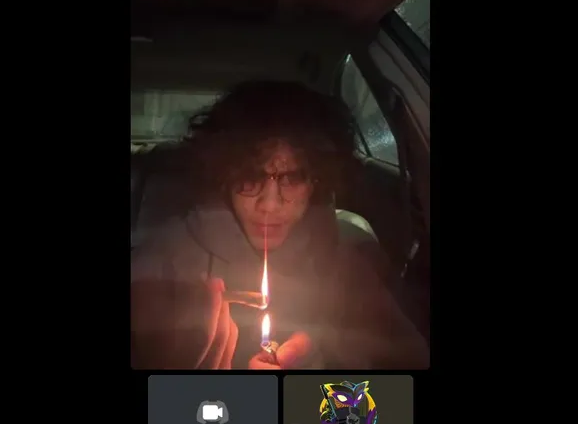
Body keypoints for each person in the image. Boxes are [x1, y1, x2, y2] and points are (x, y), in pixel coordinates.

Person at [131, 80, 429, 370]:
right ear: (224, 177)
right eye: (250, 177)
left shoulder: (348, 267)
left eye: (292, 177)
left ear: (317, 180)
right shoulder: (163, 258)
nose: (270, 205)